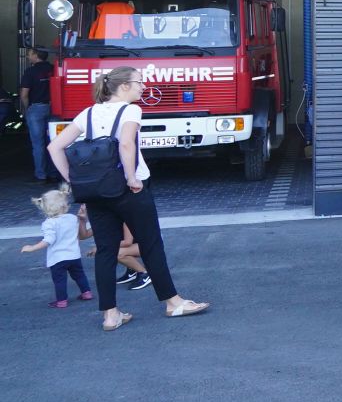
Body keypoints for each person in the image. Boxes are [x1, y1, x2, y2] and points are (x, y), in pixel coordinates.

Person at [47, 66, 210, 331]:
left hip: (95, 192)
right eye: (139, 82)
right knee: (151, 244)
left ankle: (110, 315)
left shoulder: (87, 113)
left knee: (106, 251)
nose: (143, 87)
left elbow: (54, 146)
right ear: (124, 86)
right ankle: (173, 302)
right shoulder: (130, 111)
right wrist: (132, 177)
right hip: (128, 190)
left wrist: (74, 181)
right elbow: (126, 143)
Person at [20, 186, 93, 308]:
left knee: (59, 280)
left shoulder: (49, 223)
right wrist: (83, 219)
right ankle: (86, 293)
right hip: (74, 255)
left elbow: (48, 240)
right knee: (79, 275)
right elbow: (80, 233)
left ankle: (62, 301)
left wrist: (32, 247)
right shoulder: (72, 218)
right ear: (65, 205)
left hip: (57, 258)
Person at [21, 48, 58, 182]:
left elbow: (24, 94)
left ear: (36, 55)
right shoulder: (54, 69)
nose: (28, 57)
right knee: (54, 142)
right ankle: (54, 173)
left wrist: (27, 109)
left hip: (36, 108)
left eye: (29, 54)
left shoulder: (30, 71)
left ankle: (41, 175)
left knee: (38, 144)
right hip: (55, 109)